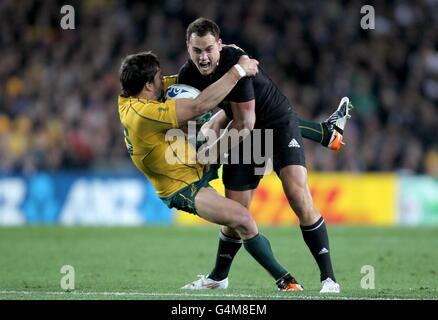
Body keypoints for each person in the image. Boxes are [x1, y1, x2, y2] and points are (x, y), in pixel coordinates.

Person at [178, 18, 348, 293]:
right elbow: (199, 114)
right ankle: (218, 278)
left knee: (298, 196)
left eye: (209, 48)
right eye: (197, 50)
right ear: (188, 48)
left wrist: (209, 154)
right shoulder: (188, 76)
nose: (204, 56)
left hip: (277, 124)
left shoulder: (236, 62)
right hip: (244, 134)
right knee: (236, 213)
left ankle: (329, 278)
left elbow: (246, 121)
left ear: (220, 45)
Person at [118, 51, 305, 291]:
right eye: (158, 78)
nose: (162, 80)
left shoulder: (138, 94)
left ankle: (217, 279)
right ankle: (286, 280)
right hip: (181, 185)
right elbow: (199, 104)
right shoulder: (141, 114)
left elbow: (195, 79)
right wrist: (238, 71)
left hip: (191, 155)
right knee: (244, 220)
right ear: (146, 86)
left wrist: (224, 55)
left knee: (234, 117)